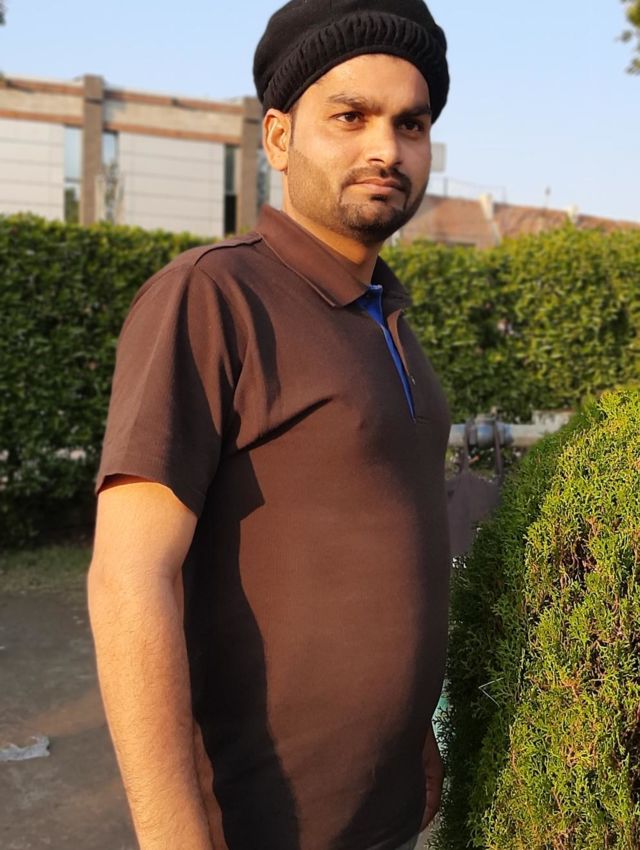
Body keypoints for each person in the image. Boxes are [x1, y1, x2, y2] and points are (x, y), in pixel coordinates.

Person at [87, 1, 451, 849]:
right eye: (351, 117)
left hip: (385, 813)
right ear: (279, 138)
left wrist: (413, 742)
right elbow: (128, 578)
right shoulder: (213, 297)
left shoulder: (386, 315)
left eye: (410, 124)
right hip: (258, 824)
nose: (386, 149)